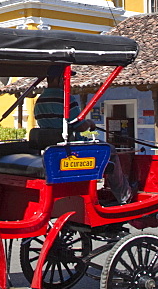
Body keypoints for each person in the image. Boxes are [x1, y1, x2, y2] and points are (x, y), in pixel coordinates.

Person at [33, 70, 133, 204]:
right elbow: (79, 126)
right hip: (70, 146)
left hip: (51, 147)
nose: (66, 82)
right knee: (110, 149)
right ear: (58, 80)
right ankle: (124, 195)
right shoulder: (66, 99)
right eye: (64, 79)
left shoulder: (39, 101)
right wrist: (90, 123)